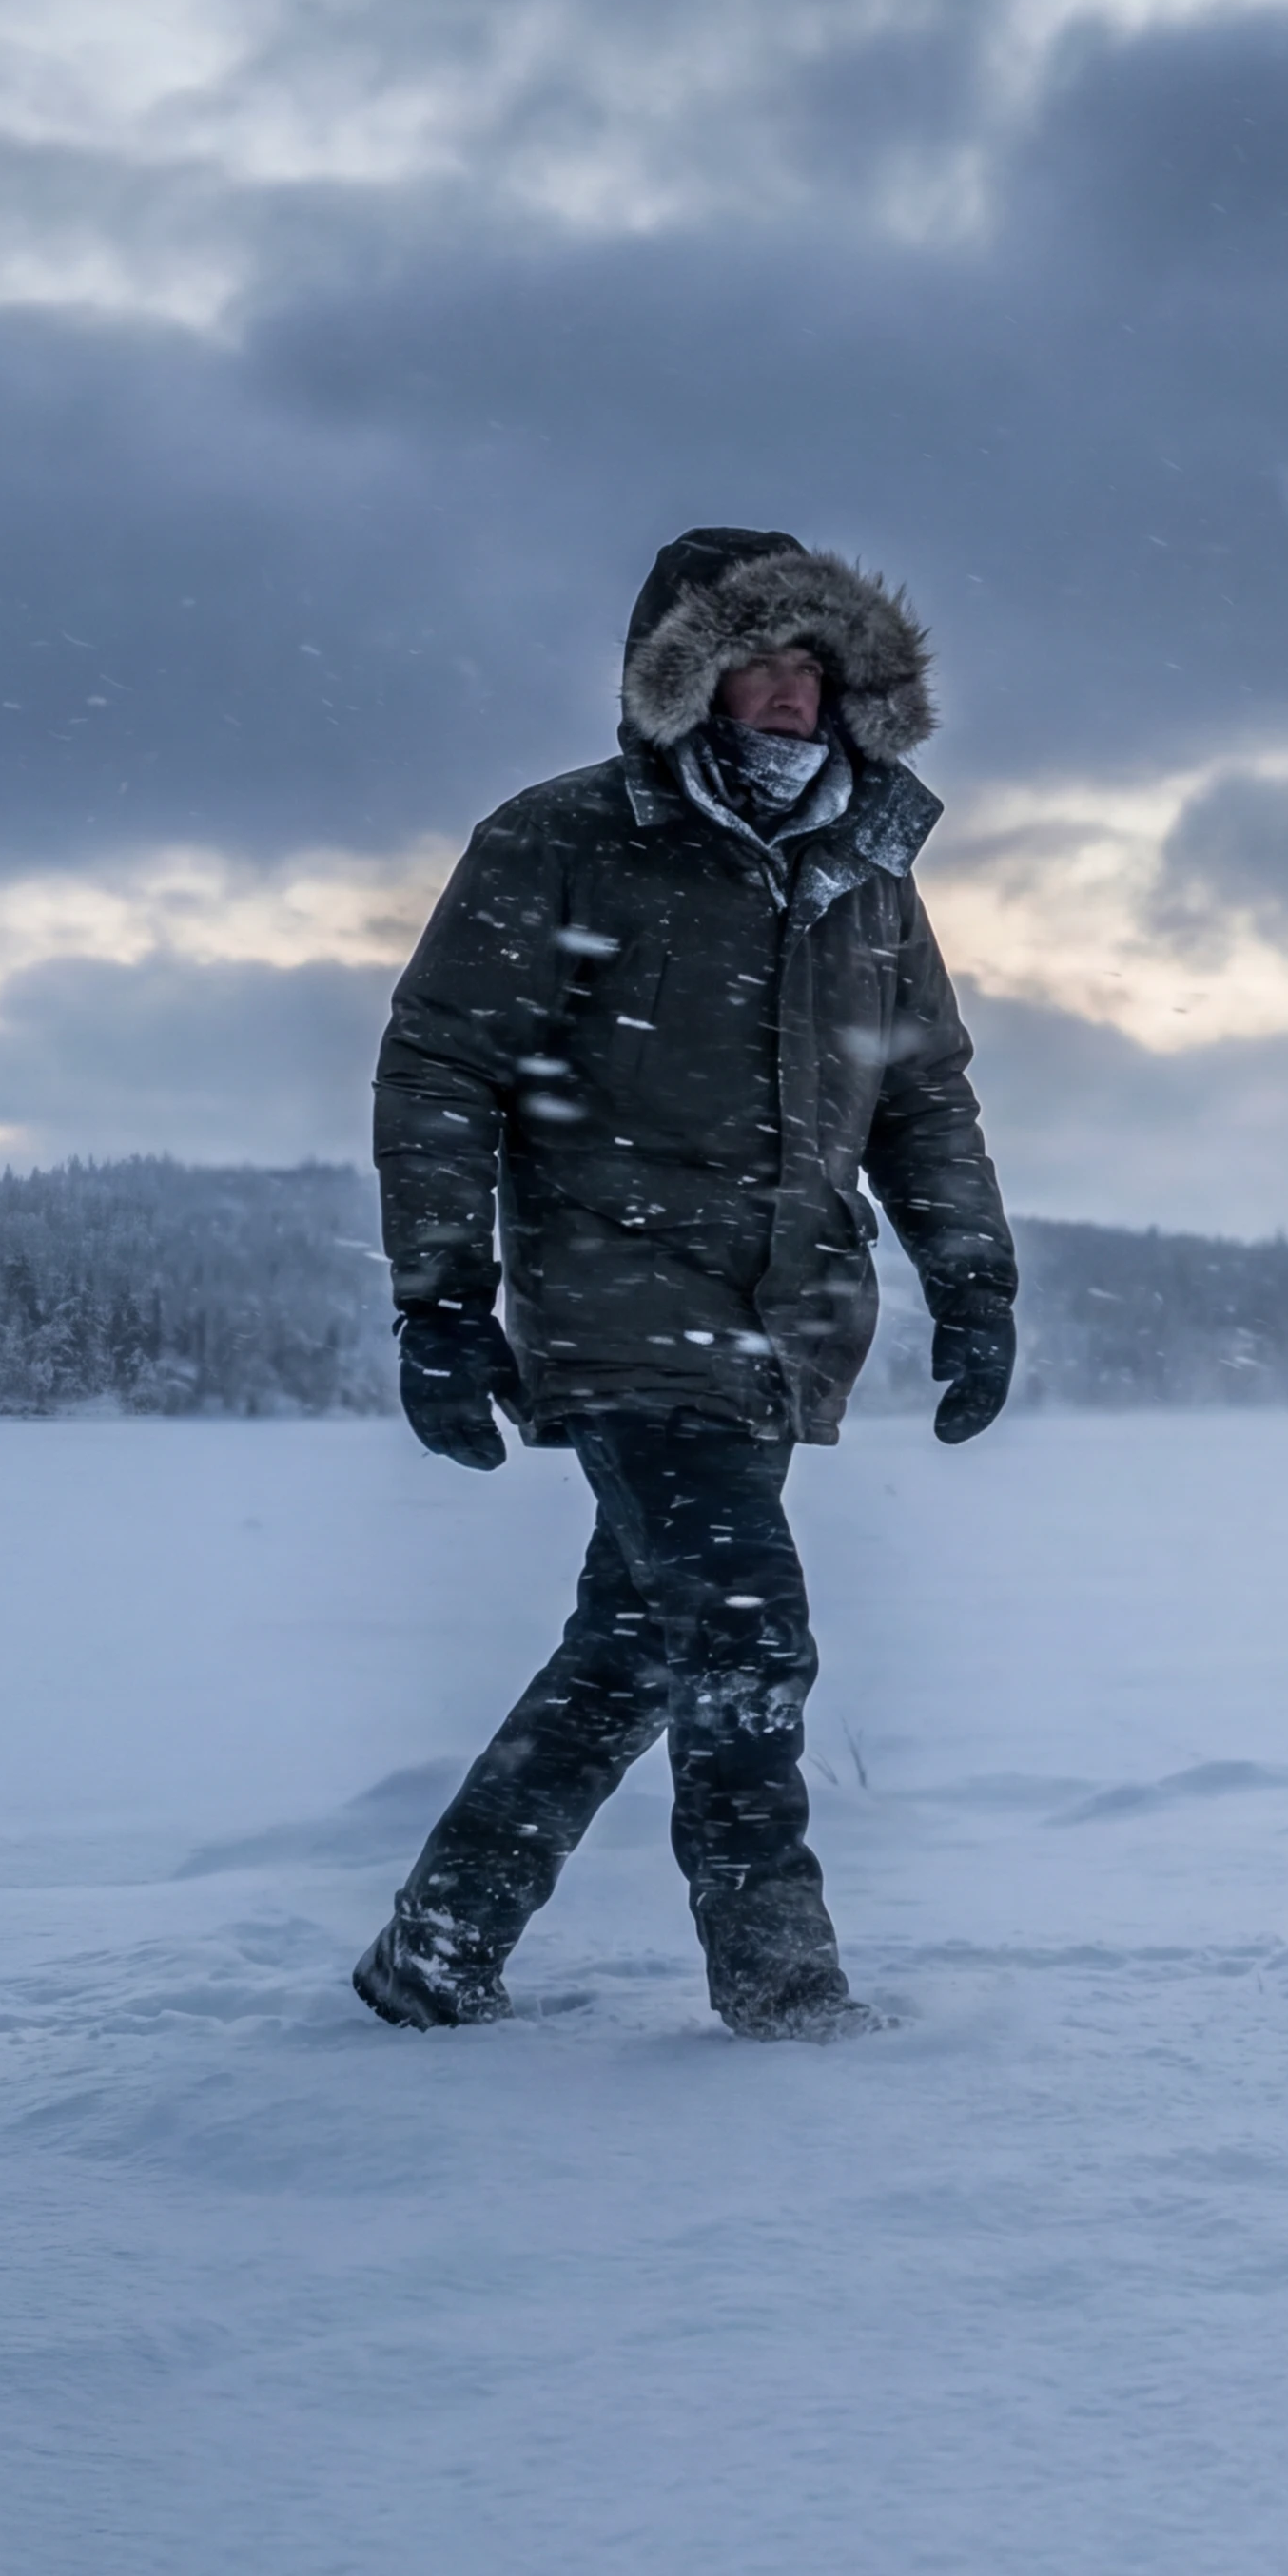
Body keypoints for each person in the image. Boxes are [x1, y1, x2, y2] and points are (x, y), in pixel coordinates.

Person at [355, 527, 1015, 2041]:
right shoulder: (566, 839)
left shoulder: (867, 872)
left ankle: (438, 1942)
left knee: (635, 1641)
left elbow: (925, 1096)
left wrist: (974, 1286)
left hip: (783, 1317)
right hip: (621, 1298)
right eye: (753, 666)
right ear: (684, 684)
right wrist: (442, 1302)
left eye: (811, 669)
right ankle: (783, 1994)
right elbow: (443, 1067)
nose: (785, 697)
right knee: (744, 1627)